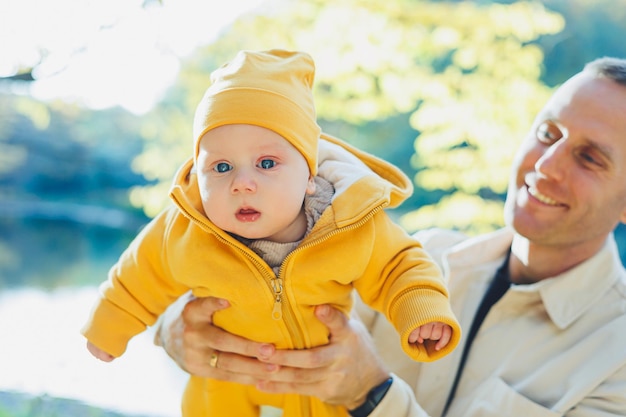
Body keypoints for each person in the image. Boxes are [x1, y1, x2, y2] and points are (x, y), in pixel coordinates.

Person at [157, 56, 626, 416]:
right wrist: (180, 330)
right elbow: (261, 294)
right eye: (548, 132)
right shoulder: (423, 255)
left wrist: (371, 394)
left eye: (590, 158)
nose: (546, 166)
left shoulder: (616, 361)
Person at [81, 49, 461, 417]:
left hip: (317, 390)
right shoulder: (184, 229)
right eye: (222, 167)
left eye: (266, 163)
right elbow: (138, 275)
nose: (243, 183)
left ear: (309, 175)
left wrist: (420, 312)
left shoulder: (350, 224)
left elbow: (400, 266)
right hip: (221, 389)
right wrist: (108, 326)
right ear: (198, 173)